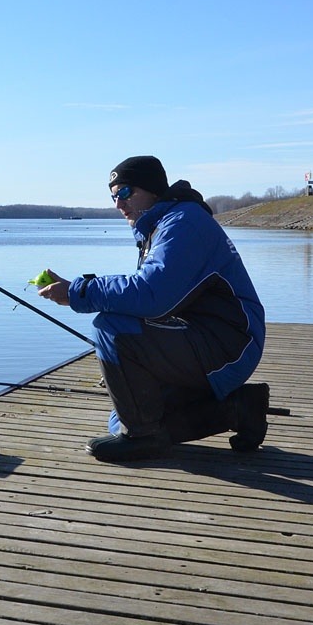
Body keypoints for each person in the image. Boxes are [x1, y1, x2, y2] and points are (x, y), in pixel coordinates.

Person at [37, 155, 269, 463]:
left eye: (125, 192)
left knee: (110, 327)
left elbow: (151, 295)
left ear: (153, 190)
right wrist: (130, 365)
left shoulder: (184, 222)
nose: (118, 204)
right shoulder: (162, 226)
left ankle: (142, 437)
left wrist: (79, 291)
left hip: (230, 343)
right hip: (203, 339)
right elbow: (150, 303)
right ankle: (238, 409)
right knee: (121, 418)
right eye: (113, 196)